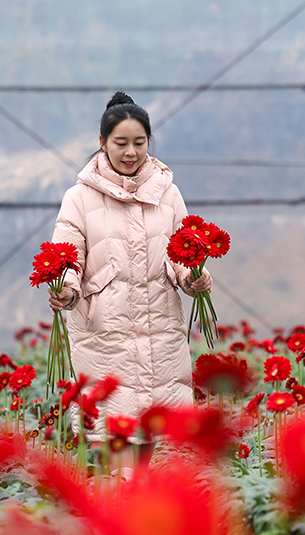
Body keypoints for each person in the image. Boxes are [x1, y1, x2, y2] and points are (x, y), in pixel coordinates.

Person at [47, 92, 212, 469]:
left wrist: (194, 277)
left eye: (139, 143)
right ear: (102, 143)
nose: (130, 152)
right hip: (105, 338)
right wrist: (65, 289)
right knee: (114, 446)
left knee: (155, 451)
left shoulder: (167, 193)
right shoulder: (79, 197)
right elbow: (66, 254)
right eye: (120, 143)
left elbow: (182, 252)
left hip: (160, 337)